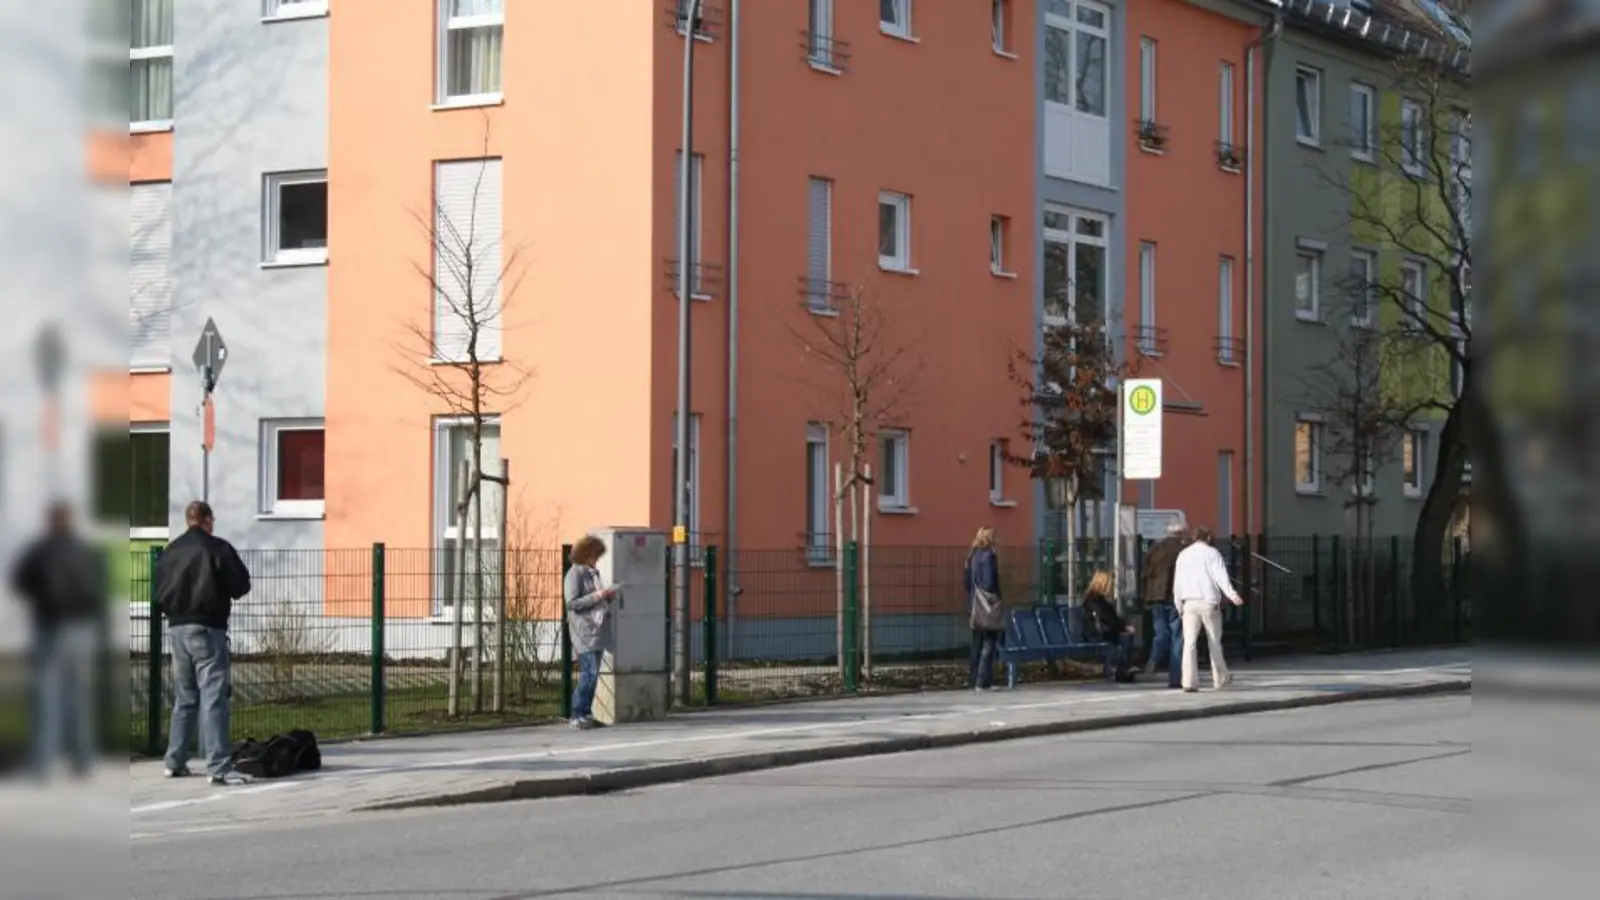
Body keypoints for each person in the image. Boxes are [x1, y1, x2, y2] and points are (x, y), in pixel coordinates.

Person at [157, 500, 252, 784]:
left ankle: (174, 761)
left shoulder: (170, 551)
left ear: (188, 520)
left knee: (184, 697)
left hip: (176, 629)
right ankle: (219, 767)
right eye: (212, 519)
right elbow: (241, 586)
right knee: (213, 697)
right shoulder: (217, 548)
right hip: (208, 628)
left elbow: (159, 593)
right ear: (207, 520)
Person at [11, 501, 105, 779]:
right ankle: (82, 760)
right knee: (78, 697)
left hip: (49, 626)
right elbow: (96, 587)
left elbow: (19, 580)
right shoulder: (83, 550)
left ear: (50, 521)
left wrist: (40, 600)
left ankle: (43, 763)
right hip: (79, 628)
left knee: (47, 697)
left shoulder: (41, 550)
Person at [1172, 527, 1243, 692]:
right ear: (1208, 537)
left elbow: (1178, 582)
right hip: (1209, 602)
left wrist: (1179, 605)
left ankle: (1189, 682)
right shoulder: (1212, 553)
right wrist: (1232, 595)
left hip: (1189, 603)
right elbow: (1221, 576)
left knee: (1189, 643)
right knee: (1214, 642)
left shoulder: (1183, 555)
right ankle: (1220, 679)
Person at [564, 535, 620, 729]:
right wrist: (597, 595)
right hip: (584, 631)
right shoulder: (575, 574)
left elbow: (596, 600)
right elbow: (572, 603)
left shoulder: (592, 573)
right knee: (590, 672)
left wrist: (607, 597)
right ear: (585, 554)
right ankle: (577, 714)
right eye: (595, 556)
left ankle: (586, 713)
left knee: (594, 674)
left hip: (598, 629)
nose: (596, 560)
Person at [1141, 522, 1189, 689]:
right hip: (1175, 596)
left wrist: (1146, 595)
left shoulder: (1154, 548)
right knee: (1177, 636)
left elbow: (1145, 573)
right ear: (1181, 533)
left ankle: (1153, 660)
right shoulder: (1184, 550)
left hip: (1155, 596)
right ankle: (1175, 678)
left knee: (1160, 633)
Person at [963, 526, 1006, 691]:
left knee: (977, 643)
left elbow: (966, 581)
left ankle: (974, 680)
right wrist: (996, 596)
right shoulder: (989, 555)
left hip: (974, 603)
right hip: (987, 604)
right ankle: (983, 681)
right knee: (990, 642)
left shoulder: (972, 555)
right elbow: (989, 582)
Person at [1083, 571, 1137, 683]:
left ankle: (1124, 668)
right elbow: (1108, 619)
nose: (1111, 587)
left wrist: (1122, 626)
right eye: (1110, 584)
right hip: (1099, 633)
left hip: (1103, 632)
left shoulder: (1097, 599)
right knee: (1125, 639)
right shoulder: (1096, 601)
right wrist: (1124, 627)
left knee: (1125, 637)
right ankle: (1123, 669)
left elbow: (1112, 619)